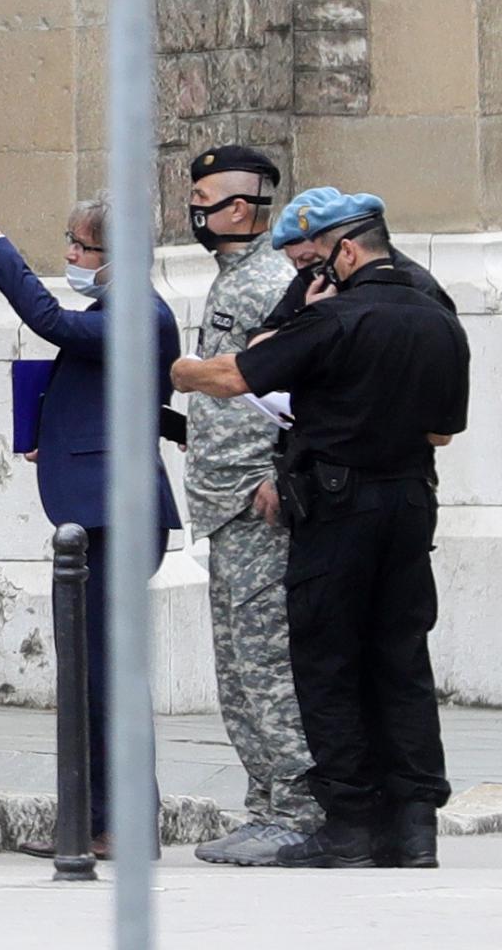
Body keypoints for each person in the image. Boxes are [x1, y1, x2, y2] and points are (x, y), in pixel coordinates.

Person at [170, 190, 470, 869]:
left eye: (314, 255)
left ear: (348, 247)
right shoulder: (437, 318)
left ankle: (349, 824)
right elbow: (441, 432)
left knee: (327, 661)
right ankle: (414, 825)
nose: (308, 269)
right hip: (408, 502)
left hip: (335, 509)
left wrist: (180, 370)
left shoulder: (334, 317)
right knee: (400, 660)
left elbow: (233, 375)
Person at [0, 192, 182, 861]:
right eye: (70, 243)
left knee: (106, 676)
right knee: (91, 675)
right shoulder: (117, 310)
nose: (71, 258)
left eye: (81, 248)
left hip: (117, 516)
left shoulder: (139, 310)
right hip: (94, 510)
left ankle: (123, 820)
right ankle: (93, 818)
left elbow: (49, 320)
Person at [181, 145, 324, 866]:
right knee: (237, 670)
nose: (195, 213)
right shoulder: (233, 279)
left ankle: (298, 808)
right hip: (222, 502)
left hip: (253, 500)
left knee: (266, 666)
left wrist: (277, 472)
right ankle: (264, 801)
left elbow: (295, 391)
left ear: (238, 209)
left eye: (204, 199)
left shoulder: (271, 281)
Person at [253, 186, 455, 338]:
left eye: (311, 258)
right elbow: (260, 341)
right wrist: (306, 319)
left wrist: (319, 321)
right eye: (294, 261)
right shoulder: (314, 280)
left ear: (343, 247)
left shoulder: (418, 288)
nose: (301, 268)